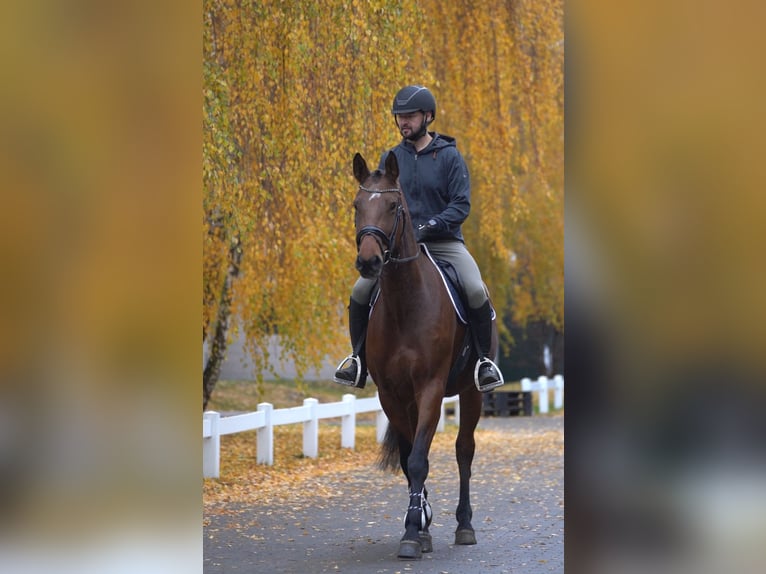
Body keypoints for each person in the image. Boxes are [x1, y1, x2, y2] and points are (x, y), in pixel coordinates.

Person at [333, 85, 504, 392]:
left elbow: (460, 205)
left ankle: (483, 363)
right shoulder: (391, 158)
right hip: (399, 248)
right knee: (360, 292)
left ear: (427, 117)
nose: (403, 122)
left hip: (445, 243)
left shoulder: (450, 157)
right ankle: (358, 360)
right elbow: (382, 201)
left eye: (410, 116)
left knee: (476, 289)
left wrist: (430, 227)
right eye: (399, 117)